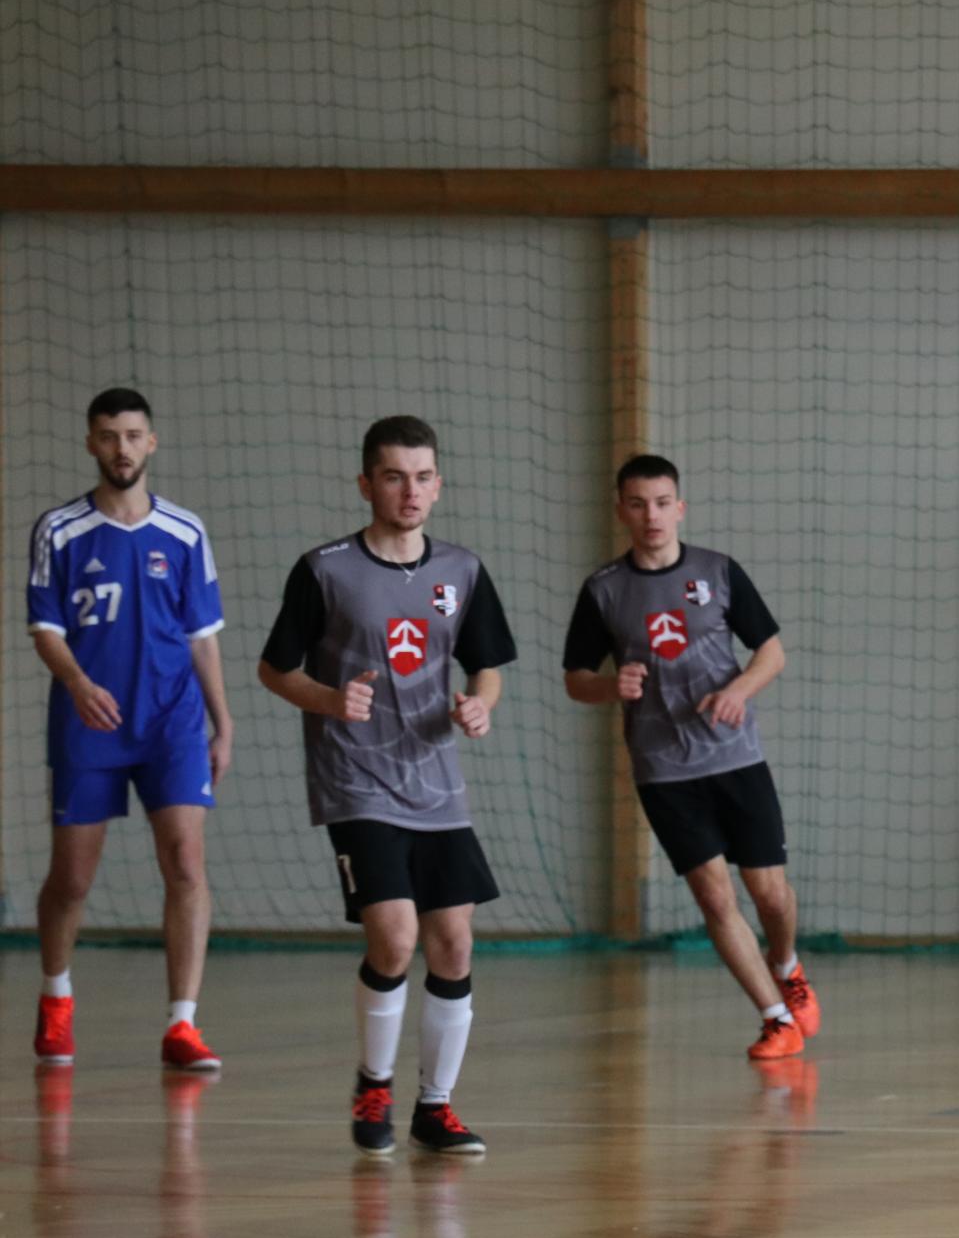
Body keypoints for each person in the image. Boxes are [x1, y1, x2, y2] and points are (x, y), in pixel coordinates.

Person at [258, 416, 516, 1156]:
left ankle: (435, 1108)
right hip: (356, 779)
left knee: (454, 945)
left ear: (439, 485)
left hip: (436, 783)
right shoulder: (326, 570)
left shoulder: (461, 570)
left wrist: (480, 705)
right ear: (366, 483)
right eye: (395, 476)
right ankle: (374, 1081)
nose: (410, 491)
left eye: (423, 476)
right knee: (396, 938)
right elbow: (275, 669)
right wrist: (331, 700)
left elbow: (487, 667)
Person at [562, 454, 816, 1059]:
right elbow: (575, 679)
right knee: (714, 897)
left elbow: (772, 653)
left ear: (680, 508)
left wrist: (738, 691)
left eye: (661, 503)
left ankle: (787, 964)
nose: (651, 516)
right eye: (638, 504)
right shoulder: (603, 590)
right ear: (621, 511)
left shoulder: (718, 571)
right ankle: (776, 1020)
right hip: (664, 769)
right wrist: (610, 686)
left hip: (735, 757)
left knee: (769, 893)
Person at [26, 388, 231, 1072]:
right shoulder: (59, 530)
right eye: (110, 436)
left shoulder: (185, 532)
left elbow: (202, 637)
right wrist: (79, 683)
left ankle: (183, 1023)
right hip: (89, 723)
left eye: (133, 435)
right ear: (91, 442)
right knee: (72, 879)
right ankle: (56, 994)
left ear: (152, 442)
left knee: (186, 863)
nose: (122, 448)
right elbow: (45, 629)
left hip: (172, 722)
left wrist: (223, 722)